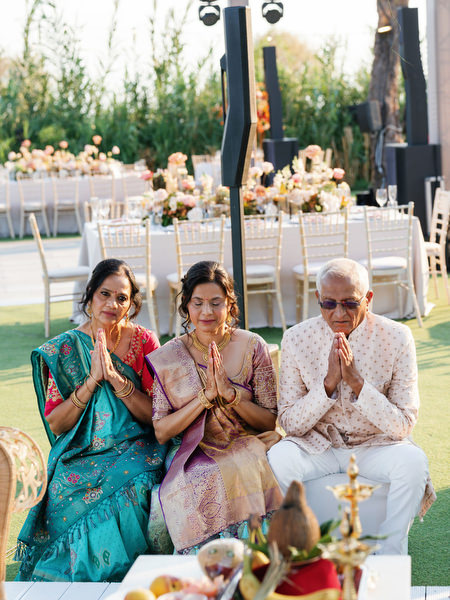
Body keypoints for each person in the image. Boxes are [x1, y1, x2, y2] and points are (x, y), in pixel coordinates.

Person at [16, 259, 172, 582]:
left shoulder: (144, 342)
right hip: (79, 452)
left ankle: (125, 577)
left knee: (137, 487)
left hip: (134, 445)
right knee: (59, 492)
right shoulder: (65, 349)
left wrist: (117, 381)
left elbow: (156, 416)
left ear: (131, 304)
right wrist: (91, 381)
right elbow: (57, 424)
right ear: (90, 297)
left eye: (122, 298)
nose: (112, 304)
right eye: (104, 294)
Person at [267, 258, 436, 555]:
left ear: (368, 299)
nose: (339, 313)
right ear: (318, 299)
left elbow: (403, 424)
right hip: (319, 447)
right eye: (329, 304)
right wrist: (328, 385)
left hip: (376, 446)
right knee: (279, 457)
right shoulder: (296, 338)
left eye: (350, 303)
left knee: (413, 463)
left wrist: (358, 383)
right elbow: (290, 423)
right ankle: (300, 551)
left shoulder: (397, 337)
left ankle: (390, 555)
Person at [147, 260, 283, 554]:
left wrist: (230, 394)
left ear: (230, 305)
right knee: (198, 479)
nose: (206, 312)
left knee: (245, 461)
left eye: (215, 303)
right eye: (198, 303)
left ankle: (254, 556)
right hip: (194, 451)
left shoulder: (252, 345)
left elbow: (270, 422)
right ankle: (205, 561)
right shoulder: (170, 357)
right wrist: (204, 398)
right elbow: (161, 432)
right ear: (186, 307)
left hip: (248, 440)